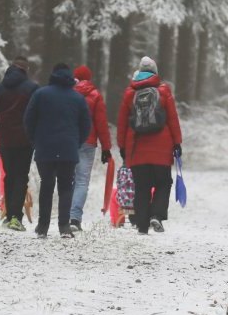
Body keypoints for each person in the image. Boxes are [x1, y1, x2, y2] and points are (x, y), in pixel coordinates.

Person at [117, 55, 182, 235]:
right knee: (163, 182)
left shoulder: (130, 93)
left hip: (137, 147)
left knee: (141, 186)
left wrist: (122, 146)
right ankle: (157, 215)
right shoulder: (163, 90)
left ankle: (142, 226)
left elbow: (122, 123)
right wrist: (177, 143)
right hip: (161, 147)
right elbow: (172, 118)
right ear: (155, 72)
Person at [24, 63, 91, 238]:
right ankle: (64, 226)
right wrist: (76, 142)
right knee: (66, 187)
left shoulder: (40, 94)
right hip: (68, 148)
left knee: (46, 185)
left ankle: (43, 226)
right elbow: (86, 125)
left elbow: (28, 120)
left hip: (44, 148)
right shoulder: (77, 98)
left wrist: (35, 141)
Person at [0, 56, 38, 231]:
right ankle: (16, 217)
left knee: (9, 176)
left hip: (5, 139)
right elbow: (38, 113)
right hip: (25, 140)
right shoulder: (32, 89)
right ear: (25, 70)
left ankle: (8, 217)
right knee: (21, 176)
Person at [69, 64, 112, 231]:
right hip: (88, 142)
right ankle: (75, 218)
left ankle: (66, 216)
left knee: (69, 179)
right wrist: (106, 148)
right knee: (82, 181)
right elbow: (101, 124)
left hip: (69, 142)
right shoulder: (95, 95)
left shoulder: (68, 94)